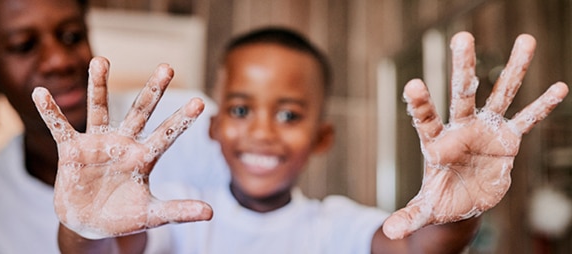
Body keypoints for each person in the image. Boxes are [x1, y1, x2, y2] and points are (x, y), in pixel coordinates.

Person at [35, 27, 568, 253]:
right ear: (216, 128)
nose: (263, 132)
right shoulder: (177, 220)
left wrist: (459, 215)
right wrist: (84, 226)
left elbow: (417, 249)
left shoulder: (337, 227)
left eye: (289, 114)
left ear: (322, 137)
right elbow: (104, 252)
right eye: (241, 110)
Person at [0, 0, 224, 253]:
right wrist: (86, 232)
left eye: (71, 36)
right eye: (23, 46)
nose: (58, 61)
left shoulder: (193, 126)